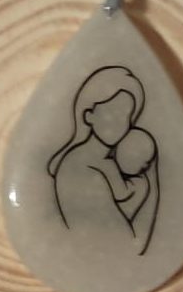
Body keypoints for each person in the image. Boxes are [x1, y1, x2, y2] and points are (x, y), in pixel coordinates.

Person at [47, 65, 160, 255]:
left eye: (126, 116)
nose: (119, 123)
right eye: (111, 112)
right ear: (88, 115)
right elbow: (128, 249)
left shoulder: (104, 161)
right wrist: (147, 183)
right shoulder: (85, 164)